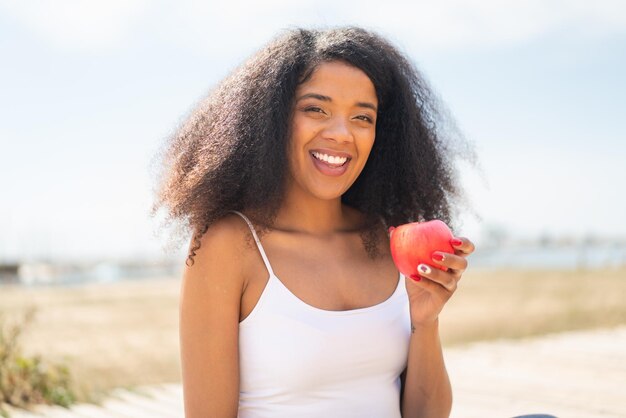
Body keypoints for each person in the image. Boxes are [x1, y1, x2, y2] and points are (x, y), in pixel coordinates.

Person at [152, 26, 475, 418]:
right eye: (315, 109)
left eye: (362, 117)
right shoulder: (228, 244)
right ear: (273, 122)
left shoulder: (384, 238)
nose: (341, 134)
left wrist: (425, 320)